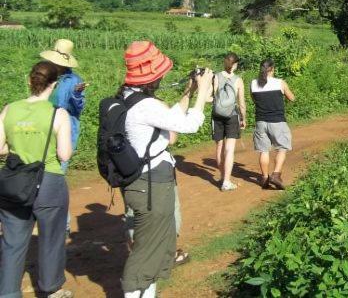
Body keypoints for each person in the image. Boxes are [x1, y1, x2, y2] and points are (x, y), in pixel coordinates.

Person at [118, 41, 212, 298]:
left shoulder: (129, 98)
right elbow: (188, 125)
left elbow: (169, 122)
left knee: (154, 250)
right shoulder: (146, 106)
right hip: (151, 186)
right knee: (146, 255)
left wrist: (188, 93)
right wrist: (203, 91)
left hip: (141, 182)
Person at [0, 61, 73, 298]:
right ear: (54, 84)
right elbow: (64, 154)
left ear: (29, 80)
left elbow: (0, 148)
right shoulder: (58, 114)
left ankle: (8, 292)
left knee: (12, 242)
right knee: (51, 237)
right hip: (48, 181)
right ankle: (51, 287)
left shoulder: (9, 109)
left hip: (14, 181)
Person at [40, 39, 85, 235]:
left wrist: (77, 95)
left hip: (65, 131)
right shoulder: (46, 77)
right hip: (44, 129)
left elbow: (77, 110)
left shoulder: (74, 82)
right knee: (42, 175)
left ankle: (62, 224)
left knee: (56, 176)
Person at [250, 59, 295, 190]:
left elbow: (254, 100)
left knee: (263, 150)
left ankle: (265, 177)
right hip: (277, 121)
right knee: (282, 147)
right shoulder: (280, 82)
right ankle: (276, 174)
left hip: (260, 121)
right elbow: (292, 98)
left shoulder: (253, 83)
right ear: (273, 69)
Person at [212, 53, 247, 192]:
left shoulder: (216, 77)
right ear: (235, 64)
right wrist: (244, 118)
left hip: (217, 114)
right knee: (230, 149)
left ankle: (222, 177)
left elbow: (213, 96)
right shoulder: (238, 80)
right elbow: (241, 103)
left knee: (219, 147)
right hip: (232, 115)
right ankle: (226, 181)